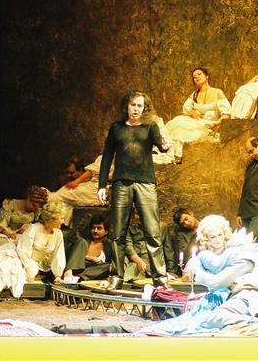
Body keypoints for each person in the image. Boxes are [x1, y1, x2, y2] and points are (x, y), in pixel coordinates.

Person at [148, 215, 258, 335]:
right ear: (207, 239)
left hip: (249, 296)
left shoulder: (244, 257)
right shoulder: (211, 256)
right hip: (229, 295)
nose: (218, 239)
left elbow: (216, 282)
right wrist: (195, 266)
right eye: (213, 237)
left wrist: (198, 272)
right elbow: (197, 273)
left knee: (211, 319)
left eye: (220, 235)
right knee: (199, 317)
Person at [97, 90, 171, 289]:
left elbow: (162, 146)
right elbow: (107, 157)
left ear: (144, 108)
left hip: (145, 182)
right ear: (126, 106)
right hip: (121, 183)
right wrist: (102, 185)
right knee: (117, 233)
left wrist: (166, 145)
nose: (136, 109)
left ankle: (160, 278)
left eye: (139, 105)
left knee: (152, 231)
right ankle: (116, 276)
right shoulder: (117, 128)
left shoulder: (150, 127)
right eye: (133, 105)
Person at [0, 202, 67, 299]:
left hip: (34, 263)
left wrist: (58, 275)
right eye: (61, 218)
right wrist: (27, 267)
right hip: (20, 256)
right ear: (52, 218)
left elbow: (58, 255)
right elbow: (23, 249)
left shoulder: (58, 234)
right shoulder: (34, 228)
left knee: (23, 274)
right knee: (7, 270)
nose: (63, 221)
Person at [166, 67, 231, 162]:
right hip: (196, 123)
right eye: (194, 77)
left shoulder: (217, 92)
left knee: (183, 130)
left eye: (199, 74)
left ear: (207, 76)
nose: (196, 77)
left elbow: (226, 114)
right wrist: (192, 113)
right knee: (177, 123)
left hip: (210, 124)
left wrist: (217, 123)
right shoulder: (194, 94)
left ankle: (176, 158)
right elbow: (185, 112)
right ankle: (175, 158)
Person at [63, 215, 112, 281]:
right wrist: (88, 257)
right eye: (93, 228)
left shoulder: (109, 245)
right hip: (77, 268)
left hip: (92, 272)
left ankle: (78, 278)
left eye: (99, 228)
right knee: (81, 241)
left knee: (109, 266)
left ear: (106, 232)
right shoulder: (83, 241)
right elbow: (74, 256)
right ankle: (68, 274)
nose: (95, 231)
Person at [163, 208, 199, 278]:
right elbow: (183, 255)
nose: (186, 223)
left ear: (190, 213)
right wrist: (171, 270)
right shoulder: (181, 235)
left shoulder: (207, 225)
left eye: (186, 219)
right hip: (190, 266)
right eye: (183, 223)